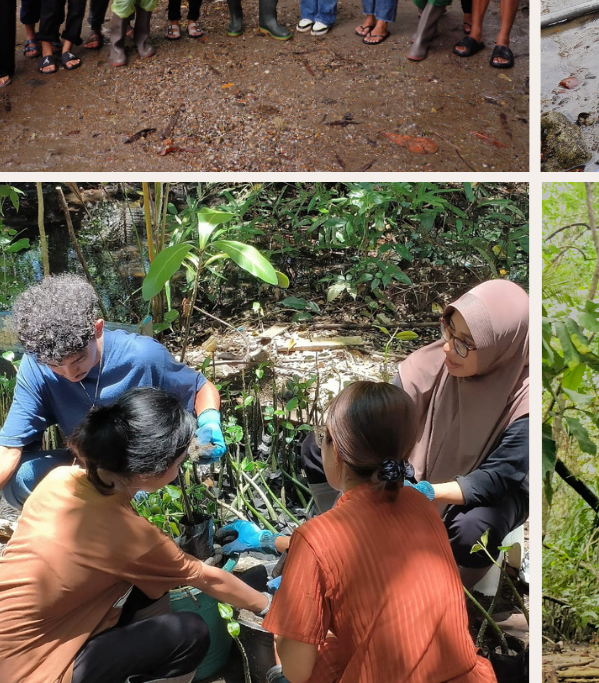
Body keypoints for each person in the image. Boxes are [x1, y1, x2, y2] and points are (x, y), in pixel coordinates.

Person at [0, 388, 272, 683]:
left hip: (17, 634)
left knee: (146, 588)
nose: (181, 468)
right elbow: (208, 578)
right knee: (190, 633)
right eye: (179, 463)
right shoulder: (132, 536)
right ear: (152, 469)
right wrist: (269, 607)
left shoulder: (60, 478)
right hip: (33, 671)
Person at [262, 380, 498, 683]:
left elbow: (297, 671)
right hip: (469, 676)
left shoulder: (315, 536)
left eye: (322, 437)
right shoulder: (420, 503)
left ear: (337, 451)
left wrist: (288, 611)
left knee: (289, 649)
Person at [299, 279, 528, 589]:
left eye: (464, 343)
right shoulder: (433, 363)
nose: (449, 347)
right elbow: (380, 424)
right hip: (416, 470)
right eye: (450, 332)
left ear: (498, 348)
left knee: (476, 528)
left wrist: (429, 493)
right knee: (323, 445)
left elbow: (497, 479)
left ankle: (453, 594)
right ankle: (340, 534)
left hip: (483, 495)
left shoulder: (524, 403)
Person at [0, 273, 226, 509]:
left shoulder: (142, 356)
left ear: (97, 329)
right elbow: (9, 447)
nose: (69, 372)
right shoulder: (35, 366)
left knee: (136, 494)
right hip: (86, 469)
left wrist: (210, 422)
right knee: (20, 479)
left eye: (78, 359)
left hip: (141, 474)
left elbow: (200, 387)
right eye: (55, 365)